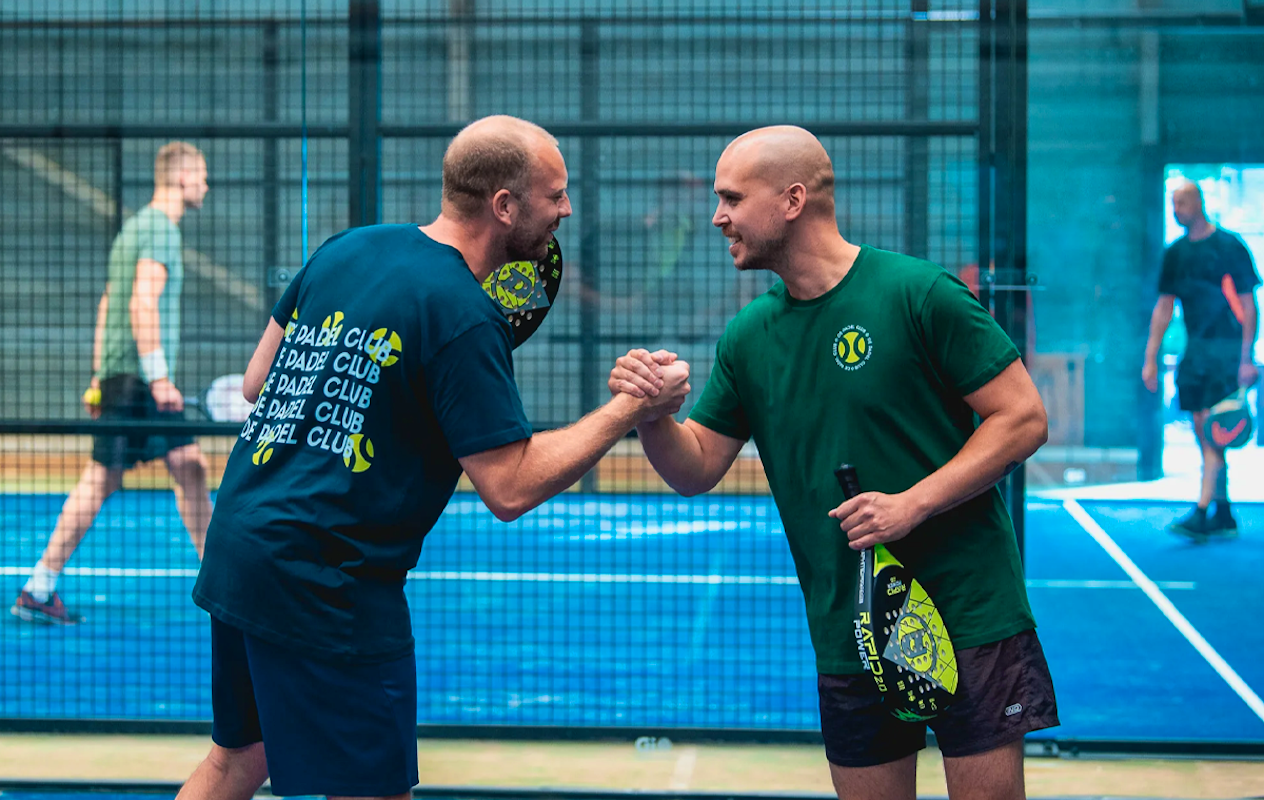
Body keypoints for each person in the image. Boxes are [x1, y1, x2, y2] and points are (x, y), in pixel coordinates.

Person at [175, 116, 689, 800]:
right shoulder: (462, 313)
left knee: (237, 761)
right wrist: (630, 409)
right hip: (325, 580)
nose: (567, 209)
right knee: (372, 789)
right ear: (504, 206)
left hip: (241, 544)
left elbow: (254, 383)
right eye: (555, 195)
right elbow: (508, 486)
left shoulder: (348, 249)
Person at [608, 126, 1057, 800]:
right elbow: (695, 469)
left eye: (731, 197)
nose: (717, 216)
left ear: (792, 200)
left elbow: (1022, 418)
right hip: (850, 629)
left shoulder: (918, 294)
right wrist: (649, 415)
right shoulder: (750, 336)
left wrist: (914, 503)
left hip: (969, 613)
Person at [11, 142, 212, 625]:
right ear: (182, 178)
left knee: (189, 467)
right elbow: (140, 304)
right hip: (142, 380)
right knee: (108, 478)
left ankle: (218, 577)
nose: (207, 185)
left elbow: (107, 302)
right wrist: (160, 377)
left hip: (123, 376)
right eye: (202, 176)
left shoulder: (134, 227)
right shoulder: (160, 231)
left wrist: (100, 378)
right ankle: (39, 585)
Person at [1143, 180, 1260, 537]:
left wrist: (1246, 358)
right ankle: (1223, 511)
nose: (1176, 210)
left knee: (1212, 432)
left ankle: (1202, 508)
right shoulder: (1175, 254)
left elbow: (1249, 305)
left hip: (1225, 352)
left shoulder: (1230, 247)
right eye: (1172, 204)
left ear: (1198, 203)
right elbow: (1164, 307)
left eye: (1181, 203)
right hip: (1194, 353)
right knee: (1202, 430)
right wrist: (1150, 358)